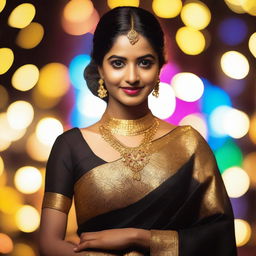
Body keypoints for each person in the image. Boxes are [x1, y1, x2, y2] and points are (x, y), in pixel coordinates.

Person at [39, 6, 237, 256]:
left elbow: (219, 237)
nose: (132, 76)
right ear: (100, 68)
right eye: (118, 63)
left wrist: (140, 238)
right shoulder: (70, 146)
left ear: (159, 69)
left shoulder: (189, 144)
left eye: (144, 62)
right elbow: (48, 244)